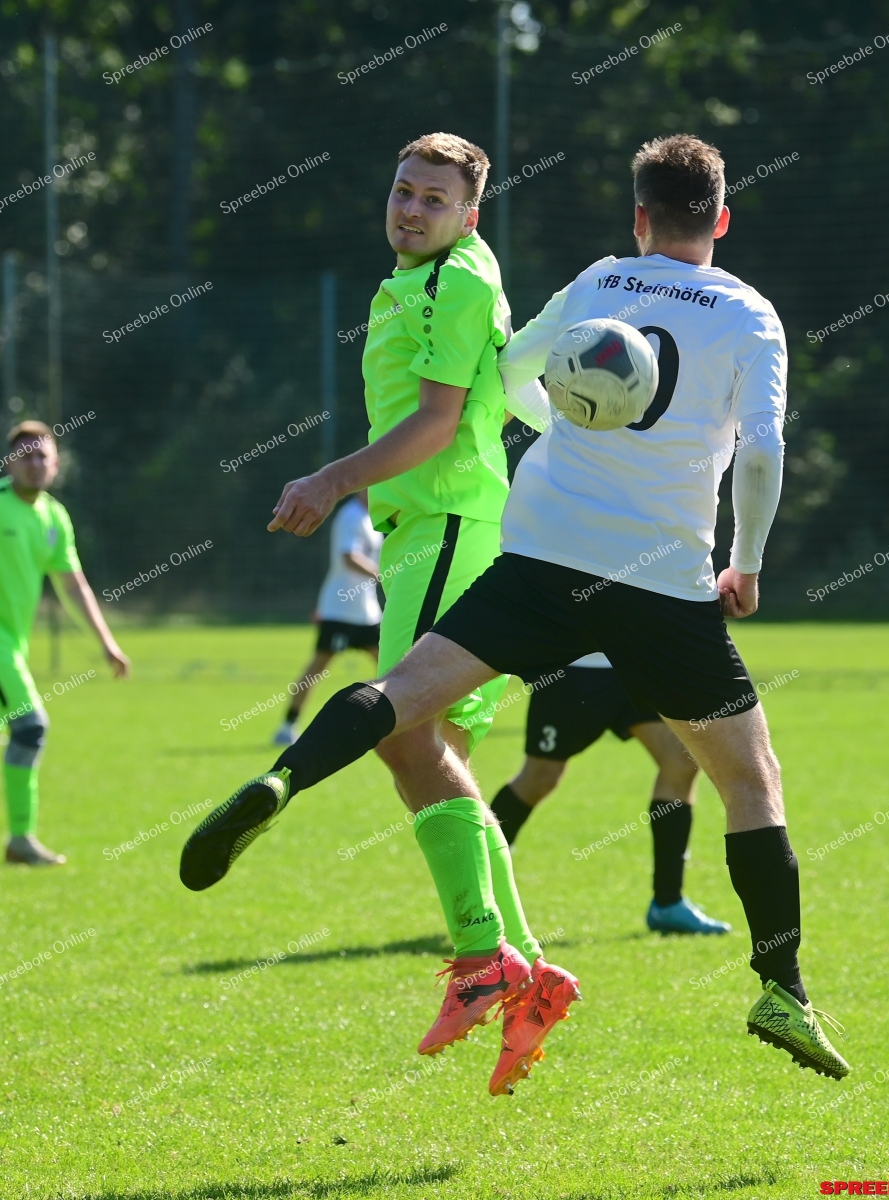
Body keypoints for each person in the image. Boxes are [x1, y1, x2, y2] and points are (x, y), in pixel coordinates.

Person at [182, 133, 850, 1084]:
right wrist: (743, 563)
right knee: (750, 781)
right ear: (722, 221)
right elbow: (763, 450)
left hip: (541, 552)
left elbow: (504, 381)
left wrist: (570, 420)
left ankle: (284, 780)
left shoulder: (599, 281)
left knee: (403, 694)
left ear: (637, 216)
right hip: (661, 582)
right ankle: (781, 987)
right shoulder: (748, 313)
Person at [182, 132, 575, 1097]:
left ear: (468, 214)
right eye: (402, 191)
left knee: (402, 734)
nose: (410, 209)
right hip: (429, 529)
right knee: (438, 761)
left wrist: (331, 480)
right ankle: (527, 973)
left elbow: (437, 422)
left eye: (434, 199)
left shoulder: (453, 281)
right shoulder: (417, 278)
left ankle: (484, 958)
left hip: (446, 525)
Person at [490, 651, 731, 935]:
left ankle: (668, 903)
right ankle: (476, 880)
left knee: (681, 761)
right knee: (540, 778)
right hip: (575, 667)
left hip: (637, 665)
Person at [1, 421, 130, 865]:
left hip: (12, 646)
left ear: (56, 465)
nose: (34, 463)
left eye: (43, 455)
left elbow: (74, 585)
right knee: (29, 726)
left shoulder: (54, 517)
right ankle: (20, 839)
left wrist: (107, 642)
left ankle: (19, 841)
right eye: (25, 455)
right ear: (9, 463)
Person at [273, 491, 382, 747]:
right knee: (317, 667)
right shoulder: (351, 516)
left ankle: (398, 725)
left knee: (390, 667)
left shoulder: (372, 518)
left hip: (367, 611)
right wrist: (382, 574)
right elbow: (349, 556)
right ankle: (287, 726)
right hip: (341, 609)